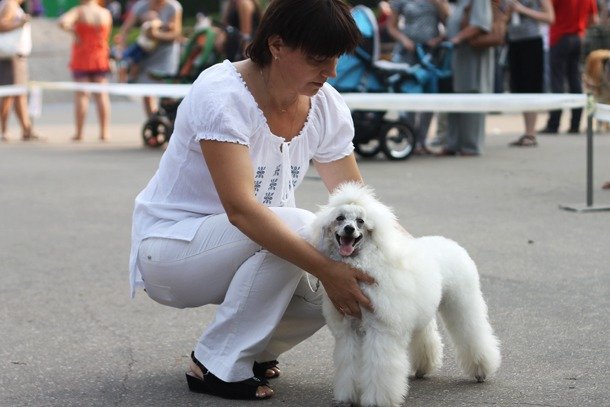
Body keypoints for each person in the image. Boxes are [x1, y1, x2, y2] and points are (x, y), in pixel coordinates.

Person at [129, 0, 391, 400]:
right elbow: (241, 210)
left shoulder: (325, 104)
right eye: (319, 58)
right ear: (277, 44)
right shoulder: (222, 94)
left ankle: (253, 351)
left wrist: (413, 265)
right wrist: (325, 268)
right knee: (305, 232)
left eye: (336, 58)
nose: (332, 72)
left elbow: (356, 202)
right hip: (171, 252)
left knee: (354, 282)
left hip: (253, 244)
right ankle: (216, 364)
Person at [386, 0, 450, 155]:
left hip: (430, 54)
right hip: (408, 54)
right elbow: (391, 27)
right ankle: (410, 138)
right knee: (410, 96)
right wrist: (404, 40)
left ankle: (422, 141)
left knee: (430, 96)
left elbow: (448, 20)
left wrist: (438, 39)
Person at [438, 0, 494, 156]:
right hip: (458, 57)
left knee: (472, 95)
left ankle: (471, 145)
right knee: (456, 98)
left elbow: (481, 24)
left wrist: (458, 38)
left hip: (472, 57)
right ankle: (453, 143)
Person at [114, 0, 182, 118]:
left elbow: (175, 34)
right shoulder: (141, 6)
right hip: (146, 54)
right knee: (146, 90)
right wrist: (122, 47)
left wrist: (156, 35)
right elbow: (125, 29)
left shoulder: (173, 6)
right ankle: (153, 121)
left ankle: (168, 118)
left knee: (166, 91)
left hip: (165, 55)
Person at [539, 0, 598, 134]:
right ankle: (575, 124)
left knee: (557, 81)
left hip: (559, 37)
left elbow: (548, 13)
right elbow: (594, 19)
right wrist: (581, 25)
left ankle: (554, 123)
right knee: (575, 80)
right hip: (578, 37)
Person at [58, 0, 112, 142]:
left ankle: (79, 133)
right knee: (101, 95)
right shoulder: (105, 13)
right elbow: (107, 37)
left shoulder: (79, 11)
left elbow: (62, 22)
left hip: (82, 57)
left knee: (82, 95)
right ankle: (104, 132)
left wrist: (73, 32)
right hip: (100, 57)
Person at [506, 0, 555, 147]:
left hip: (532, 41)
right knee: (519, 87)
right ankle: (527, 131)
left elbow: (550, 17)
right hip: (514, 41)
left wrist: (522, 10)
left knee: (531, 85)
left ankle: (531, 133)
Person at [0, 0, 38, 142]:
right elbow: (1, 24)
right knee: (10, 94)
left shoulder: (10, 5)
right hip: (12, 56)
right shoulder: (10, 4)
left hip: (13, 56)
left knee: (18, 93)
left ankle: (26, 128)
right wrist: (20, 23)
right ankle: (7, 129)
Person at [116, 9, 163, 83]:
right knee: (134, 62)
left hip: (141, 46)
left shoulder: (152, 23)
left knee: (128, 58)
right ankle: (130, 77)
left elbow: (151, 32)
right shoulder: (152, 23)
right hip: (145, 46)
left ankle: (130, 76)